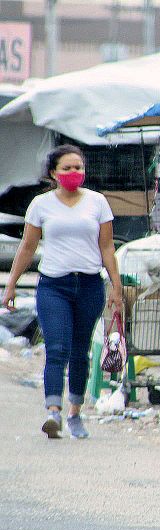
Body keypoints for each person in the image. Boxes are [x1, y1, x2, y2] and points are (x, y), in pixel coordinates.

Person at [2, 145, 123, 439]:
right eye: (67, 168)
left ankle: (75, 412)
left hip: (90, 286)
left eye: (78, 168)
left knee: (80, 352)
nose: (74, 173)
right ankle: (53, 411)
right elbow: (28, 247)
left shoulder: (97, 203)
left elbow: (106, 246)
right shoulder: (41, 205)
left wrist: (116, 286)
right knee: (57, 348)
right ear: (54, 173)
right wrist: (12, 283)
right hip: (53, 285)